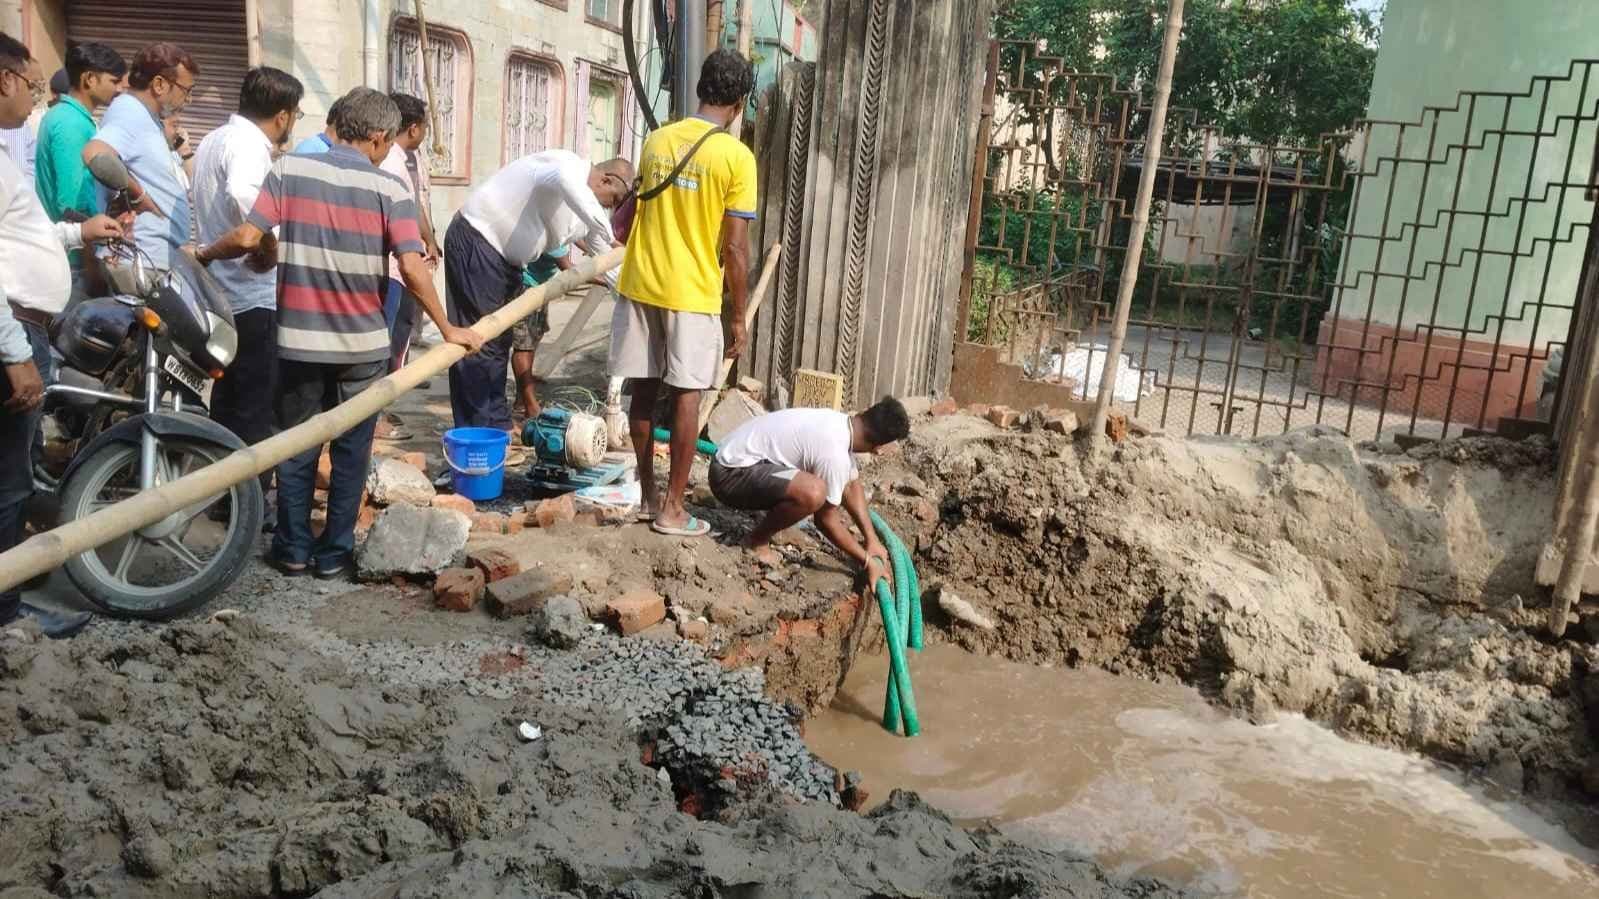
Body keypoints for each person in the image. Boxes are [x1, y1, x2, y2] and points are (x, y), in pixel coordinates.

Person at [194, 87, 483, 579]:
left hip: (299, 343)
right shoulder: (391, 189)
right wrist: (448, 326)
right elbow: (412, 268)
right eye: (388, 143)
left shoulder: (288, 170)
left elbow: (247, 236)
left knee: (296, 446)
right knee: (351, 452)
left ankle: (292, 549)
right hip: (362, 348)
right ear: (378, 136)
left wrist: (202, 254)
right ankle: (333, 555)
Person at [0, 32, 124, 637]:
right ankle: (5, 616)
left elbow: (21, 233)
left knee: (14, 471)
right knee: (8, 478)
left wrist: (79, 234)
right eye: (29, 82)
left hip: (24, 328)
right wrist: (14, 353)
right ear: (5, 80)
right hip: (13, 332)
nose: (34, 96)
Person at [615, 49, 757, 538]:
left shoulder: (657, 140)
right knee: (686, 396)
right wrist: (737, 316)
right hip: (691, 291)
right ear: (739, 103)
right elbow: (735, 248)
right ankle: (673, 510)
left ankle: (648, 497)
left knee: (642, 390)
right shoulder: (736, 157)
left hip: (639, 283)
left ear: (700, 89)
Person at [448, 148, 632, 432]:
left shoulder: (584, 214)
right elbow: (580, 199)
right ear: (606, 180)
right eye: (615, 200)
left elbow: (606, 259)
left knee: (498, 344)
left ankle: (496, 424)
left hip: (507, 264)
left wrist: (631, 293)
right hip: (478, 242)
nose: (611, 208)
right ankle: (476, 431)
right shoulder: (567, 166)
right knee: (479, 343)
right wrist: (610, 236)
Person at [191, 65, 304, 514]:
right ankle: (248, 506)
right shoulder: (248, 146)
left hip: (222, 294)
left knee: (229, 403)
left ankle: (224, 498)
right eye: (295, 115)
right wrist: (269, 243)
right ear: (283, 115)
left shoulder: (214, 139)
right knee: (256, 409)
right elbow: (245, 202)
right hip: (251, 296)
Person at [710, 398, 910, 587]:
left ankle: (761, 533)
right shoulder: (834, 454)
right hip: (729, 476)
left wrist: (871, 539)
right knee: (813, 493)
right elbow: (825, 520)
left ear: (865, 412)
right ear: (878, 448)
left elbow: (851, 484)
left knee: (821, 486)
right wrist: (867, 561)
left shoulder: (839, 423)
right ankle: (756, 541)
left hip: (734, 460)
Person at [81, 42, 199, 271]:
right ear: (159, 84)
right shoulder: (130, 112)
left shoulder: (145, 116)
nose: (188, 99)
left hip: (154, 258)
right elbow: (95, 154)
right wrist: (138, 195)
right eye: (186, 90)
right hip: (141, 258)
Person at [378, 93, 438, 372]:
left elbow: (415, 205)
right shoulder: (391, 163)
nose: (425, 133)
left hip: (402, 262)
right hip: (395, 266)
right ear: (414, 128)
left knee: (400, 329)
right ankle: (384, 392)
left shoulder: (403, 159)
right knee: (389, 334)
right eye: (425, 127)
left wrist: (429, 240)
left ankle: (394, 380)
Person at [36, 42, 126, 224]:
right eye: (114, 81)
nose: (119, 89)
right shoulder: (71, 123)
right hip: (73, 238)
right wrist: (90, 240)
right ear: (89, 79)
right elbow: (71, 204)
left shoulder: (65, 115)